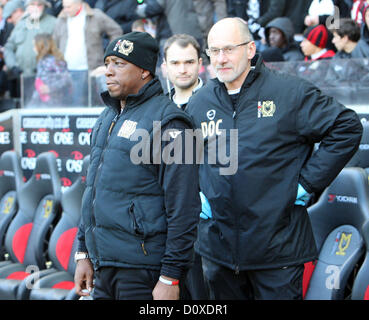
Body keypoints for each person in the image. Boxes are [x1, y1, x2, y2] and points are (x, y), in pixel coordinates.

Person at [186, 17, 363, 300]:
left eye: (229, 49)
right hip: (218, 252)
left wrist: (306, 184)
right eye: (213, 51)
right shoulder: (201, 101)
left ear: (251, 49)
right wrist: (197, 191)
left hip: (277, 251)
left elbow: (347, 127)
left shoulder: (289, 92)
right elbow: (187, 156)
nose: (220, 59)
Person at [74, 32, 201, 300]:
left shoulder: (172, 122)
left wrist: (170, 276)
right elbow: (92, 192)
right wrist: (83, 251)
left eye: (119, 64)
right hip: (103, 266)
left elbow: (185, 207)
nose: (108, 71)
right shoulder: (108, 116)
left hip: (146, 272)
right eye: (107, 63)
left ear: (144, 71)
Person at [161, 33, 208, 300]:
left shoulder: (217, 102)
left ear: (200, 64)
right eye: (175, 63)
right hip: (167, 222)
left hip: (208, 225)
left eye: (188, 62)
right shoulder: (157, 108)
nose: (182, 69)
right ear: (165, 67)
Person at [53, 0, 122, 106]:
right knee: (67, 107)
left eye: (68, 7)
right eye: (64, 6)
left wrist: (110, 55)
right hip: (66, 72)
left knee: (87, 106)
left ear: (78, 5)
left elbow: (116, 31)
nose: (65, 10)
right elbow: (54, 43)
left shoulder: (95, 15)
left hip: (91, 70)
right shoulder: (61, 19)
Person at [4, 0, 56, 98]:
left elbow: (58, 49)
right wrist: (13, 66)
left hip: (44, 79)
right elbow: (8, 47)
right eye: (32, 4)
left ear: (45, 6)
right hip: (22, 77)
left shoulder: (53, 22)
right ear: (27, 7)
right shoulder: (21, 23)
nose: (36, 7)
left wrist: (45, 66)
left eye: (39, 4)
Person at [28, 33, 71, 107]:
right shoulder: (42, 61)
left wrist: (50, 88)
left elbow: (66, 79)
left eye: (35, 45)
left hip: (55, 103)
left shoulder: (54, 61)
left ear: (40, 46)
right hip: (42, 102)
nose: (33, 48)